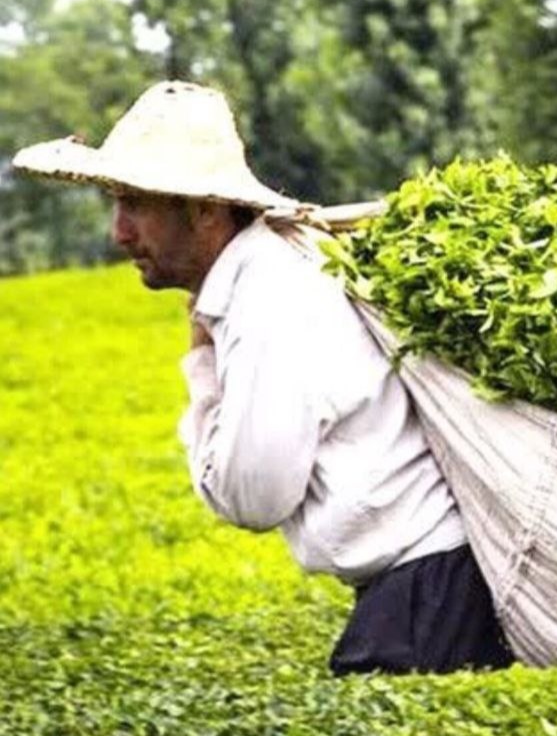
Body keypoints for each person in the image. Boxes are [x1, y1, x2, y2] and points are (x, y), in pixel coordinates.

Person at [13, 80, 513, 675]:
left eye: (135, 204)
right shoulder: (267, 274)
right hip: (427, 585)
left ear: (201, 210)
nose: (119, 232)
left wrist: (201, 364)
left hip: (427, 593)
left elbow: (253, 495)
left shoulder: (268, 295)